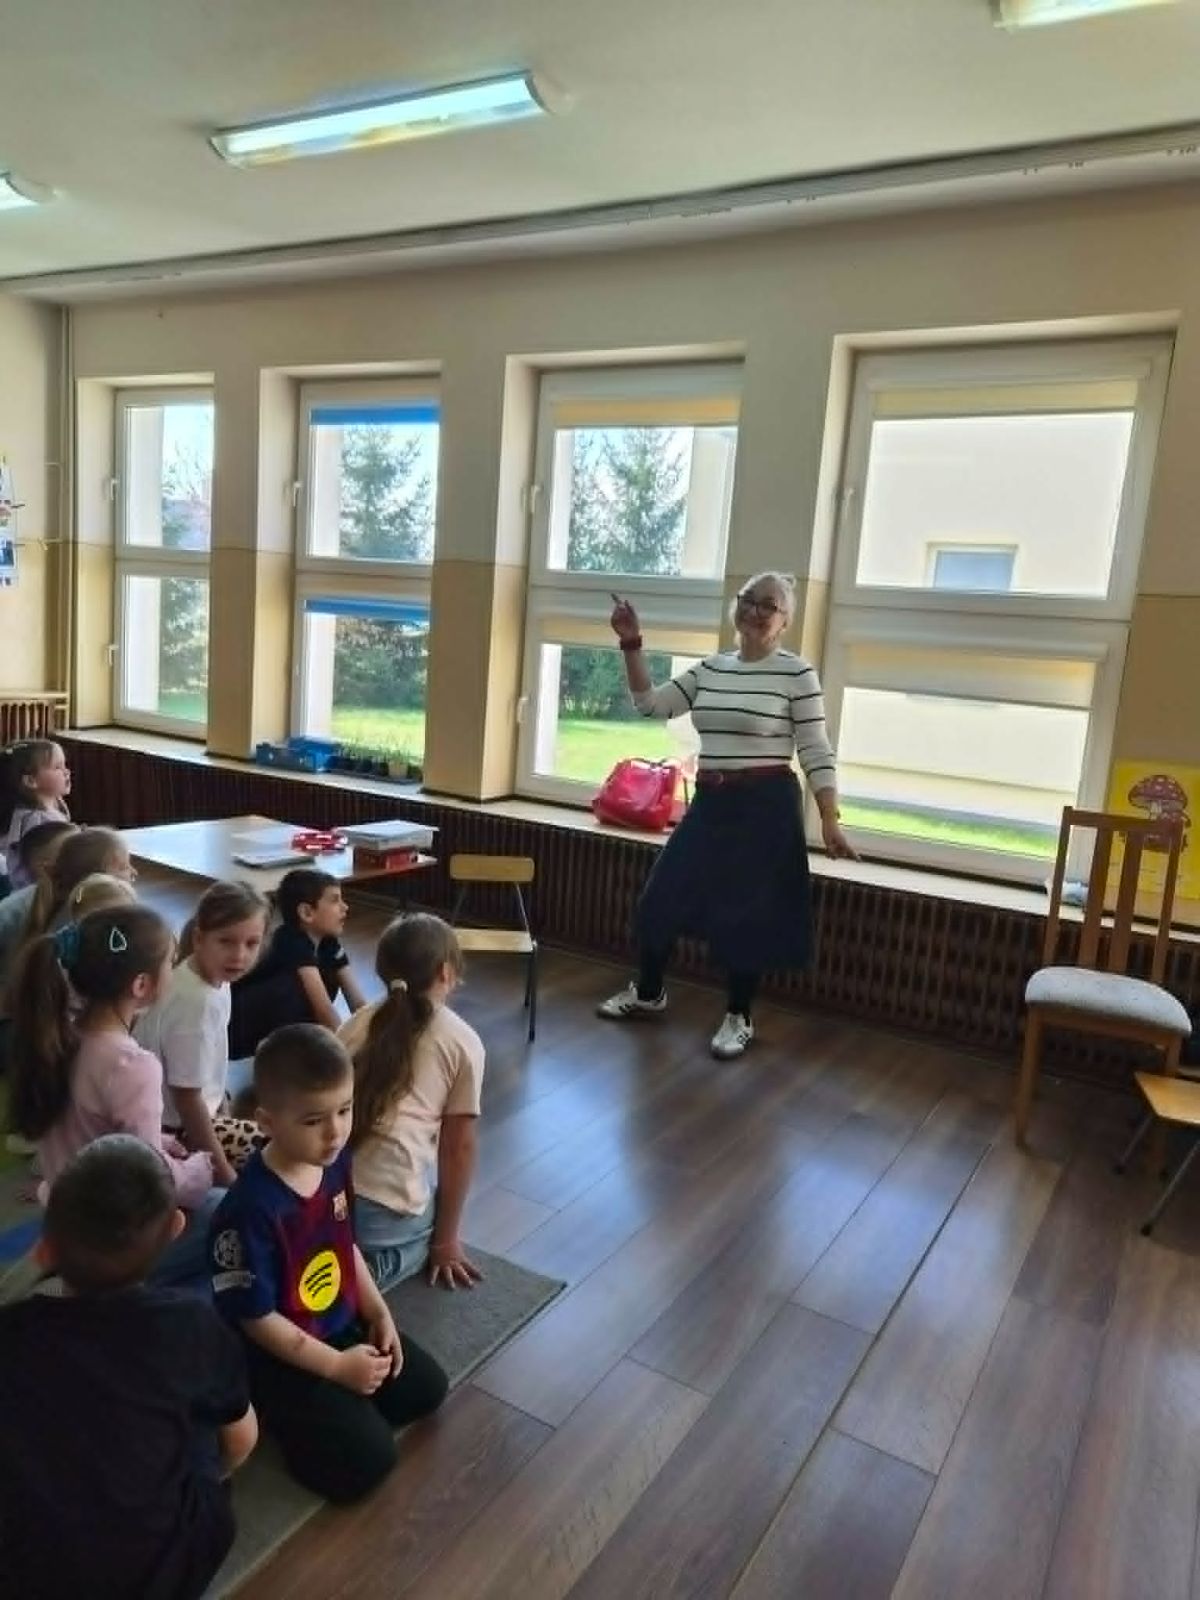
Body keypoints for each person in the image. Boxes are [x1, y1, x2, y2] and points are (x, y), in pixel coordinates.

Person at [599, 570, 858, 1059]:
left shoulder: (796, 674)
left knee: (747, 917)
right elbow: (650, 705)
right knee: (659, 899)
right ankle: (650, 992)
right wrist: (631, 642)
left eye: (769, 605)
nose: (756, 611)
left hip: (766, 805)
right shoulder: (711, 669)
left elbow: (815, 749)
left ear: (785, 620)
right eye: (749, 600)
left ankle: (739, 1016)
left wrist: (829, 817)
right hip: (712, 801)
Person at [0, 1136, 257, 1600]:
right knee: (201, 1410)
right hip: (167, 1571)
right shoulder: (191, 1325)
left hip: (32, 1579)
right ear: (176, 1227)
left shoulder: (12, 1333)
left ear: (45, 1249)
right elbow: (241, 1440)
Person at [208, 1024, 448, 1503]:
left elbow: (344, 1247)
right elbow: (255, 1320)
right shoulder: (248, 1211)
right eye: (314, 1120)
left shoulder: (333, 1162)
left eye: (344, 1109)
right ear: (267, 1122)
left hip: (336, 1321)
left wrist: (378, 1312)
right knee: (369, 1462)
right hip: (278, 1353)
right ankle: (280, 1415)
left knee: (427, 1389)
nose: (336, 1131)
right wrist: (336, 1368)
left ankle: (341, 1403)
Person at [7, 904, 219, 1286]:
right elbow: (148, 1179)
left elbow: (88, 1126)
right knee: (223, 1210)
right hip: (109, 1231)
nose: (174, 970)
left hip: (61, 1202)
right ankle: (94, 1282)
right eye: (170, 962)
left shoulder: (59, 1037)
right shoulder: (131, 1066)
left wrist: (161, 1141)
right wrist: (199, 1172)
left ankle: (59, 1261)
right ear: (142, 986)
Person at [342, 914, 485, 1292]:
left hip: (322, 1193)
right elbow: (457, 1149)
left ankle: (326, 1253)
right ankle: (364, 1279)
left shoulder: (355, 1022)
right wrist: (446, 1241)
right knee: (429, 1227)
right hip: (378, 1218)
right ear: (446, 972)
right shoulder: (462, 1041)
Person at [136, 881, 270, 1188]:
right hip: (174, 1132)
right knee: (286, 1147)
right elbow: (186, 1099)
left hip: (192, 1115)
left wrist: (222, 1106)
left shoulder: (206, 976)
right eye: (226, 941)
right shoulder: (196, 1002)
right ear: (199, 938)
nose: (239, 955)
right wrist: (224, 1173)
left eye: (252, 943)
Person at [228, 868, 367, 1058]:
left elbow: (359, 1005)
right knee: (291, 988)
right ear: (306, 912)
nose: (345, 907)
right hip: (241, 1037)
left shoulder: (328, 942)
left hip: (288, 1031)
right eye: (335, 900)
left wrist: (375, 1037)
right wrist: (349, 1057)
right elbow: (324, 1012)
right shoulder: (289, 940)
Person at [1, 739, 72, 890]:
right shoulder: (37, 821)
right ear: (30, 780)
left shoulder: (54, 806)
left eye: (65, 765)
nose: (66, 772)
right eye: (57, 767)